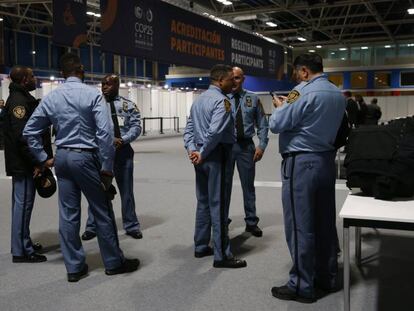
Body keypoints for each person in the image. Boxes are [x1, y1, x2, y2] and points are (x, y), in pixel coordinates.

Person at [23, 53, 139, 282]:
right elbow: (105, 134)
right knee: (102, 209)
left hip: (62, 158)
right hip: (85, 157)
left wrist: (43, 157)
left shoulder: (52, 97)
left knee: (68, 214)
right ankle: (114, 262)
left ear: (62, 73)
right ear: (81, 69)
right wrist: (106, 168)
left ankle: (74, 267)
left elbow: (29, 131)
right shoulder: (92, 96)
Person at [269, 53, 345, 303]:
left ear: (303, 71)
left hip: (301, 163)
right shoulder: (336, 92)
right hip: (326, 162)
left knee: (300, 225)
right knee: (324, 222)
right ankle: (328, 276)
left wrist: (280, 107)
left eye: (296, 73)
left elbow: (277, 124)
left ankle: (302, 284)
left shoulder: (300, 92)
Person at [183, 64, 246, 269]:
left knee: (203, 201)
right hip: (216, 155)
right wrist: (202, 153)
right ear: (220, 80)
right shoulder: (223, 101)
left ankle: (201, 246)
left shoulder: (198, 100)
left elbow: (189, 129)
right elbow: (215, 132)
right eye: (230, 80)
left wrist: (193, 150)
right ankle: (222, 255)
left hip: (200, 157)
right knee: (218, 205)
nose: (233, 84)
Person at [82, 75, 142, 241]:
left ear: (117, 85)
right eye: (102, 84)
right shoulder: (95, 105)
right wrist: (107, 140)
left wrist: (123, 140)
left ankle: (131, 225)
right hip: (101, 153)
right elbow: (89, 127)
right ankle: (92, 226)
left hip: (123, 153)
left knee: (127, 192)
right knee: (97, 191)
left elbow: (136, 127)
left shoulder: (128, 105)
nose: (104, 87)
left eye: (108, 84)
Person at [3, 66, 53, 263]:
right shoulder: (19, 102)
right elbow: (22, 138)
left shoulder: (21, 98)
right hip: (23, 165)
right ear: (24, 79)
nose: (35, 79)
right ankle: (22, 251)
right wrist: (38, 161)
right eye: (32, 76)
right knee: (23, 207)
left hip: (23, 163)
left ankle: (23, 241)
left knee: (22, 206)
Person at [226, 66, 269, 237]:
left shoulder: (253, 98)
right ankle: (223, 220)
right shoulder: (221, 98)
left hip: (246, 148)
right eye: (231, 78)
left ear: (243, 79)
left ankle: (251, 222)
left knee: (248, 187)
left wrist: (262, 146)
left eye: (237, 78)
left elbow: (263, 124)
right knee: (224, 186)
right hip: (226, 147)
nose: (234, 81)